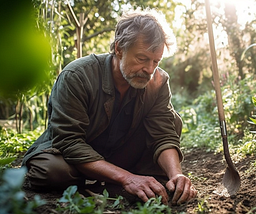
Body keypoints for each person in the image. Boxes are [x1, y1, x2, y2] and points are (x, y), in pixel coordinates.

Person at [22, 8, 197, 205]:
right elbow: (69, 141)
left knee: (172, 121)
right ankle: (110, 180)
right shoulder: (77, 76)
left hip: (119, 152)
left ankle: (117, 180)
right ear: (119, 49)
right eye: (142, 59)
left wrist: (176, 175)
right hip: (74, 155)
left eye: (156, 61)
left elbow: (163, 133)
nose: (149, 69)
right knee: (54, 172)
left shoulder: (158, 80)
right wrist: (126, 178)